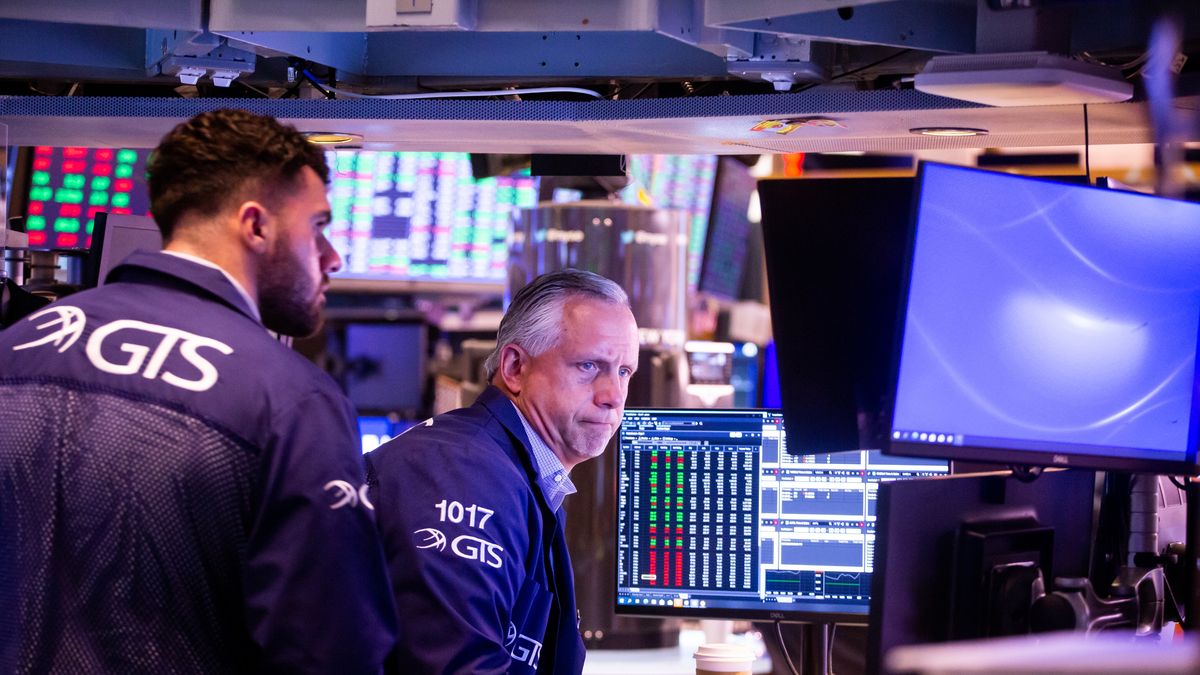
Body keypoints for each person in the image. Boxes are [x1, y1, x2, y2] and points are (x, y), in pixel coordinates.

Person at [0, 109, 397, 674]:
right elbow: (334, 652)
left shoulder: (16, 347)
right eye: (318, 226)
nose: (332, 256)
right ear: (256, 225)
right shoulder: (287, 398)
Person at [366, 269, 639, 674]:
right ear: (514, 367)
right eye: (588, 366)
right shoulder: (462, 473)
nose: (613, 397)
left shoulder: (517, 473)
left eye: (623, 372)